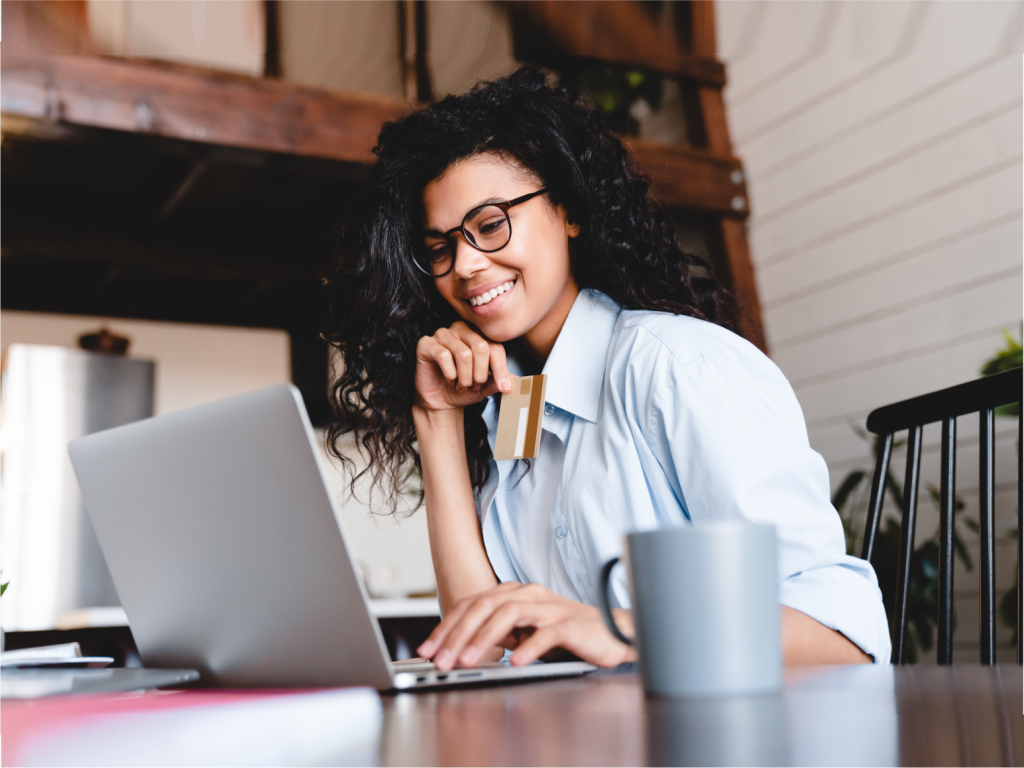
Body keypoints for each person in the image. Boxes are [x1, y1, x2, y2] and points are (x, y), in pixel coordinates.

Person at [323, 67, 891, 672]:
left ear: (567, 210)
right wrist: (435, 421)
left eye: (490, 225)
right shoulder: (514, 405)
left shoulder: (676, 367)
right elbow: (482, 645)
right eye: (440, 248)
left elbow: (844, 638)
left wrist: (618, 631)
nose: (465, 264)